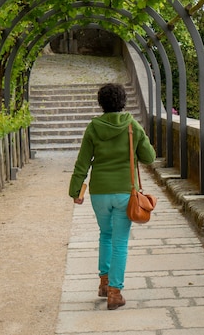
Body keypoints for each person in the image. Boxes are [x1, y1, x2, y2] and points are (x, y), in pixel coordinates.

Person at [68, 83, 156, 310]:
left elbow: (82, 162)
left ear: (101, 104)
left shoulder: (93, 127)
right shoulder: (132, 125)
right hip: (126, 193)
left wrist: (75, 191)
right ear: (123, 102)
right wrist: (140, 139)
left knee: (105, 235)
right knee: (120, 242)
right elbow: (149, 157)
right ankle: (115, 293)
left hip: (99, 192)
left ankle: (104, 283)